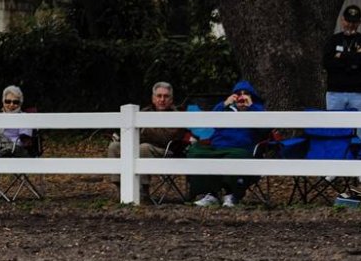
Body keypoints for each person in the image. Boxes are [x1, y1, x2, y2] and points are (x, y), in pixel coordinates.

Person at [188, 80, 267, 208]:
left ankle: (231, 194)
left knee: (234, 158)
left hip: (241, 148)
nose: (242, 97)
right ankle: (211, 194)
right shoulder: (224, 108)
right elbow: (210, 123)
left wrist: (251, 107)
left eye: (246, 93)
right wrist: (224, 104)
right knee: (196, 153)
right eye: (238, 94)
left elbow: (265, 130)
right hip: (217, 146)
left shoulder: (257, 109)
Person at [105, 81, 190, 178]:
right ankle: (121, 188)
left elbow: (166, 138)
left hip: (165, 151)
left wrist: (144, 132)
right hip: (140, 146)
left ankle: (142, 190)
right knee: (114, 146)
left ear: (171, 100)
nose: (162, 99)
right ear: (153, 99)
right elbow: (131, 132)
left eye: (166, 96)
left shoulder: (178, 115)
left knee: (144, 147)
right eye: (159, 96)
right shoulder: (144, 112)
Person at [322, 4, 361, 129]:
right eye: (348, 21)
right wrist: (353, 59)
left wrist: (341, 56)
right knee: (334, 129)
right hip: (335, 93)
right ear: (342, 20)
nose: (350, 25)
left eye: (354, 22)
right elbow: (328, 63)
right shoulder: (333, 40)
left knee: (360, 131)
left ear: (359, 22)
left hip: (359, 93)